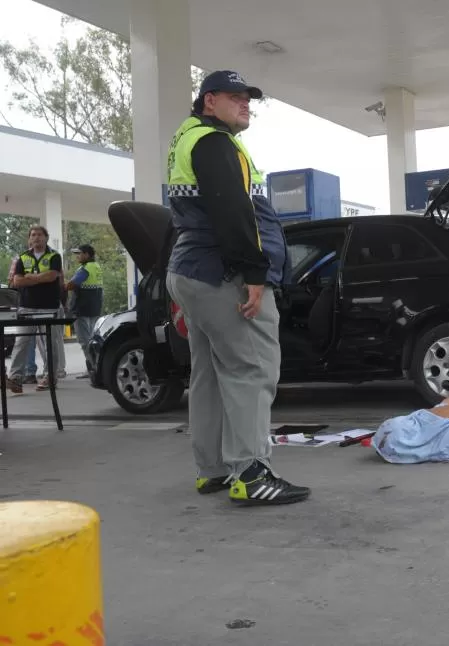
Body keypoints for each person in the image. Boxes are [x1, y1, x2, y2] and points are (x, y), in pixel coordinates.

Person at [164, 70, 306, 506]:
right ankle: (250, 470)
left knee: (208, 374)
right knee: (251, 369)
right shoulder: (214, 143)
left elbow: (193, 214)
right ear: (209, 101)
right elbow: (233, 212)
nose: (245, 104)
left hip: (192, 270)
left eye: (248, 99)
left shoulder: (187, 139)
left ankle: (214, 470)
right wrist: (256, 275)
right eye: (234, 97)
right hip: (222, 274)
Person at [8, 225, 66, 393]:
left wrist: (30, 277)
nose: (36, 238)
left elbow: (52, 276)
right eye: (33, 235)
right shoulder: (23, 257)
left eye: (40, 235)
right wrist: (40, 278)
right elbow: (17, 281)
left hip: (50, 307)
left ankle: (50, 377)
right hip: (26, 307)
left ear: (46, 238)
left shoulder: (54, 256)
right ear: (29, 239)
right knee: (21, 343)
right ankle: (15, 379)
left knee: (51, 344)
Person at [63, 244, 103, 374]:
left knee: (85, 341)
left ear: (87, 254)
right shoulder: (96, 267)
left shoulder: (85, 269)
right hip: (94, 308)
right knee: (93, 339)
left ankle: (93, 368)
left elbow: (70, 286)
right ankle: (98, 367)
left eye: (79, 254)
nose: (77, 257)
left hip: (82, 309)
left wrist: (62, 285)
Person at [7, 257, 38, 383]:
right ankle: (21, 374)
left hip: (31, 307)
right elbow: (13, 284)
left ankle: (29, 372)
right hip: (22, 307)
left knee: (28, 341)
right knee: (25, 341)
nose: (11, 274)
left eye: (13, 271)